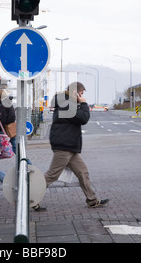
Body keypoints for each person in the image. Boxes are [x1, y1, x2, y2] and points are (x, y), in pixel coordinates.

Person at [36, 82, 109, 211]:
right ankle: (29, 197)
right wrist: (84, 103)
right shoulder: (66, 104)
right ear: (76, 92)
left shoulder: (66, 102)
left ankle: (92, 200)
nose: (82, 96)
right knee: (52, 175)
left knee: (82, 172)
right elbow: (83, 118)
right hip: (64, 145)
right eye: (81, 93)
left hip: (69, 145)